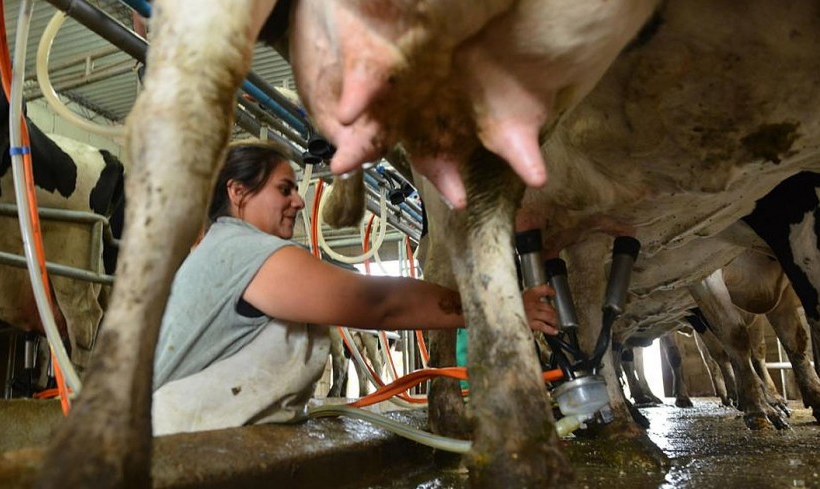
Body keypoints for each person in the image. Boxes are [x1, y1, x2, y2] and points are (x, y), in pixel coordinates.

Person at [151, 142, 558, 435]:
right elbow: (380, 304)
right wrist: (499, 306)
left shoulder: (227, 249)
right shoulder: (241, 251)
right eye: (284, 188)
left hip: (197, 435)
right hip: (178, 447)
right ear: (237, 192)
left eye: (295, 188)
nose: (298, 200)